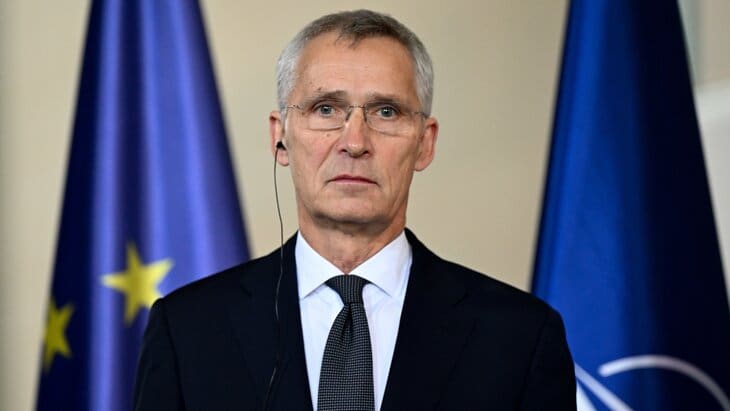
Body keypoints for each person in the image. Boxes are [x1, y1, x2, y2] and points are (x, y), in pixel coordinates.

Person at [134, 9, 576, 411]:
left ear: (425, 143)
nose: (355, 142)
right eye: (326, 108)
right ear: (280, 137)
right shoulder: (188, 330)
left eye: (386, 112)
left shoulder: (520, 338)